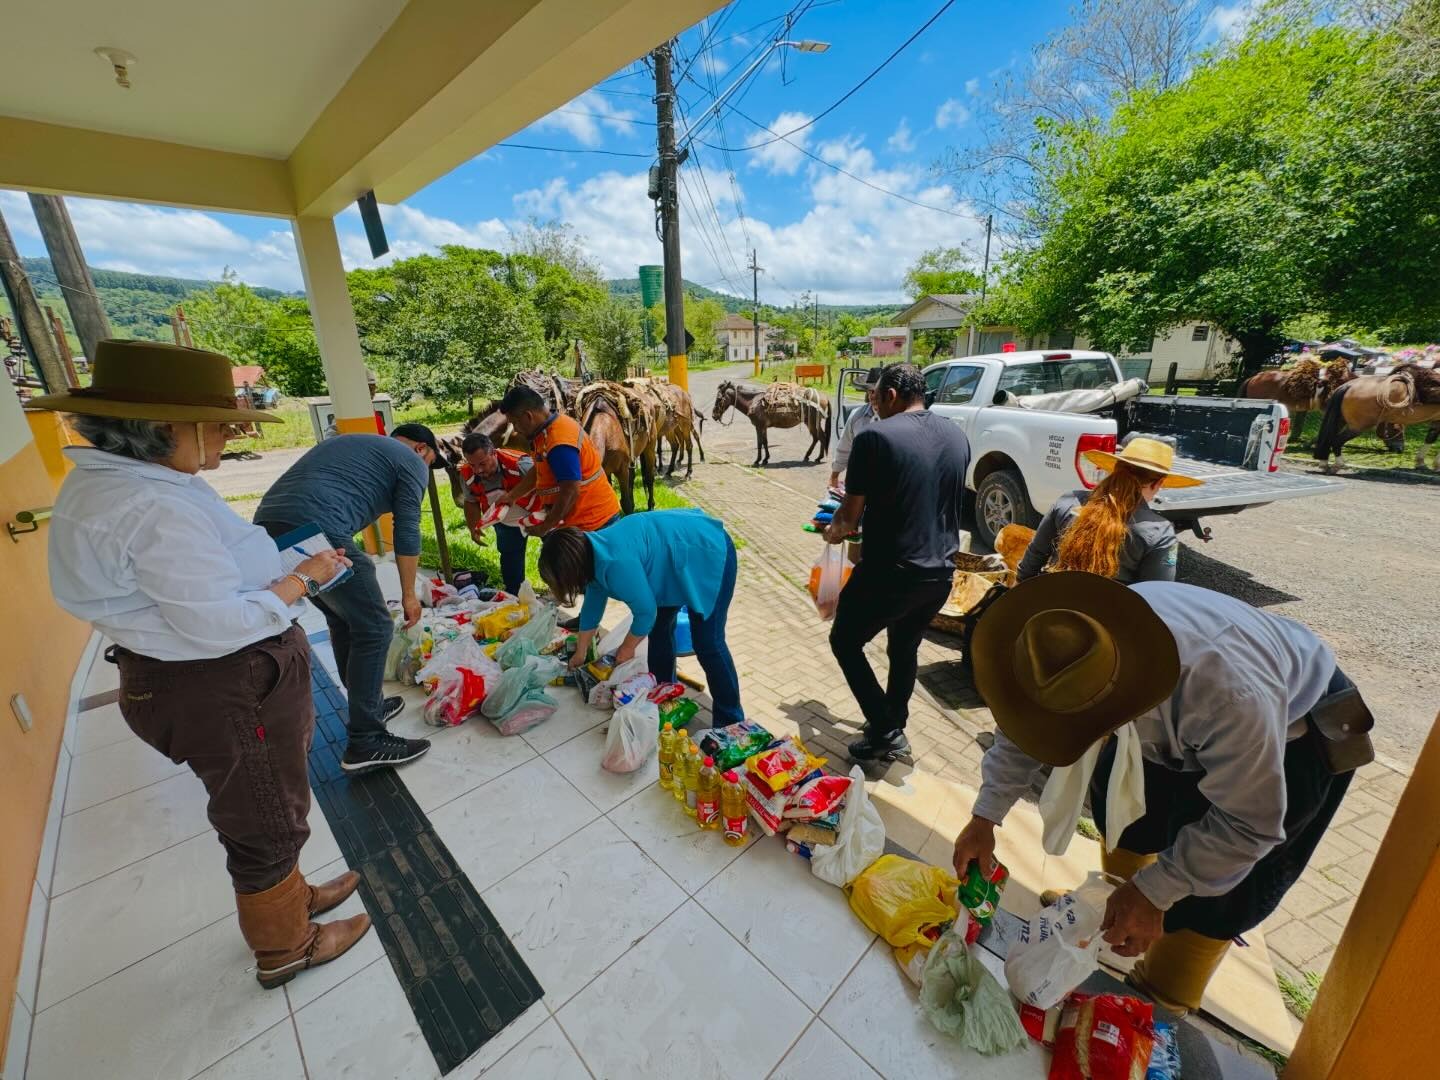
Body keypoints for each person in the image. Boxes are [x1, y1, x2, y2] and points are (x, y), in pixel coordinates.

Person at [36, 339, 373, 989]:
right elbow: (216, 623)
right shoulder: (151, 506)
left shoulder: (135, 484)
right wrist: (299, 581)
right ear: (167, 428)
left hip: (207, 680)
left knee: (271, 802)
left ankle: (294, 894)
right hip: (219, 685)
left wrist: (288, 570)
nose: (230, 435)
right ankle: (287, 947)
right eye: (219, 425)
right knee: (263, 817)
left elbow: (219, 568)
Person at [951, 573, 1368, 1015]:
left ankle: (1163, 995)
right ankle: (1111, 912)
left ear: (1116, 703)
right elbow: (1024, 729)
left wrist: (1154, 894)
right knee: (1126, 817)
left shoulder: (1227, 695)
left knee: (1215, 896)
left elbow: (1248, 825)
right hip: (1193, 714)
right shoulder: (1063, 644)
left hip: (1291, 735)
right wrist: (985, 817)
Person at [253, 423, 443, 772]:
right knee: (374, 627)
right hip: (316, 525)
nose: (427, 470)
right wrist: (409, 596)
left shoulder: (367, 450)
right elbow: (408, 531)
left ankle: (365, 704)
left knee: (344, 619)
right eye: (431, 460)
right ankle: (366, 740)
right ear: (421, 449)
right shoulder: (412, 462)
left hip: (269, 525)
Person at [823, 363, 971, 764]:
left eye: (874, 398)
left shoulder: (874, 437)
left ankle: (886, 730)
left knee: (845, 641)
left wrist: (833, 531)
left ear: (890, 395)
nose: (872, 406)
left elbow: (849, 519)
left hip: (890, 572)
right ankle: (893, 723)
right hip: (940, 573)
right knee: (904, 647)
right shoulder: (957, 436)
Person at [538, 510, 744, 726]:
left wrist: (626, 649)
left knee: (708, 643)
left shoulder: (616, 562)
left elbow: (646, 613)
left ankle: (731, 722)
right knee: (659, 629)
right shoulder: (589, 556)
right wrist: (580, 653)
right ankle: (665, 693)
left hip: (706, 552)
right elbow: (592, 607)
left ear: (573, 570)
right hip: (671, 562)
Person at [1017, 437, 1201, 584]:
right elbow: (1158, 594)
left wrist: (1020, 589)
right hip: (1108, 624)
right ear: (1158, 483)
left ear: (1115, 468)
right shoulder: (1160, 531)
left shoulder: (1068, 500)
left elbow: (1034, 555)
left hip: (1051, 608)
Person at [495, 385, 620, 537]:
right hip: (577, 523)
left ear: (528, 416)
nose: (515, 429)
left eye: (515, 422)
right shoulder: (544, 433)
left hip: (592, 524)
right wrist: (512, 496)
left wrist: (546, 526)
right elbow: (539, 470)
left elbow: (570, 490)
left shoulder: (559, 443)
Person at [458, 431, 534, 595]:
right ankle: (514, 595)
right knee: (510, 559)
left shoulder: (520, 464)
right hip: (506, 522)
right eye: (473, 465)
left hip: (539, 514)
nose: (477, 470)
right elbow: (471, 501)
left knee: (555, 552)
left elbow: (545, 481)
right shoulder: (467, 474)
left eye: (482, 464)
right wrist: (473, 527)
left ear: (494, 453)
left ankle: (567, 588)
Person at [827, 365, 883, 492]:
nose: (873, 396)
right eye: (870, 391)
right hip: (860, 479)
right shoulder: (857, 416)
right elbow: (844, 447)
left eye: (877, 392)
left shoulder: (896, 416)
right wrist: (834, 475)